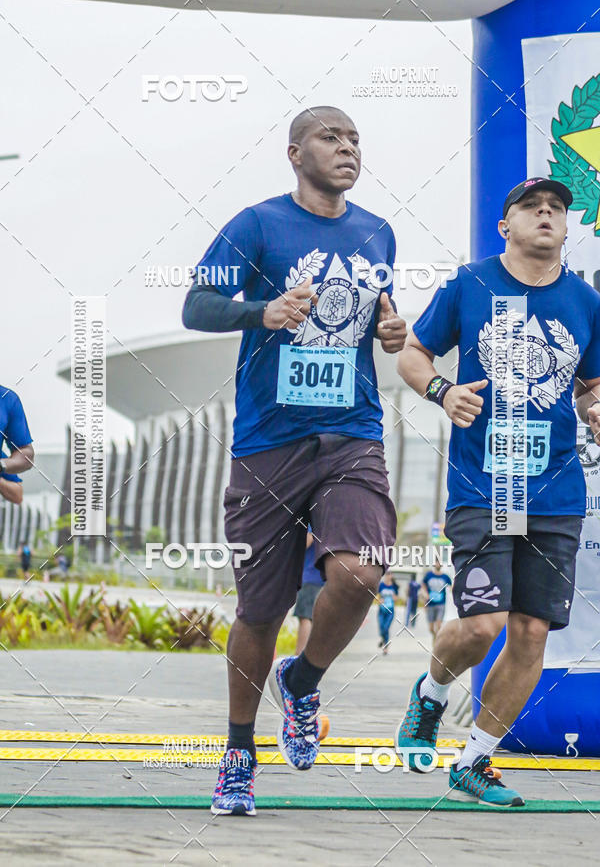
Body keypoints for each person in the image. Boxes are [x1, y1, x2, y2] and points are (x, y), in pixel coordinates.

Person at [183, 105, 407, 816]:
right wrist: (262, 312)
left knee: (362, 570)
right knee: (260, 609)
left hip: (352, 434)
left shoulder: (378, 232)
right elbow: (196, 305)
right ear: (294, 153)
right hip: (269, 444)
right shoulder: (257, 225)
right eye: (330, 138)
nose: (347, 149)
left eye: (355, 140)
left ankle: (302, 682)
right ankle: (239, 755)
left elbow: (376, 315)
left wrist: (391, 329)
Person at [395, 177, 600, 807]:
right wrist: (443, 392)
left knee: (532, 631)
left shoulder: (585, 301)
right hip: (486, 487)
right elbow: (412, 355)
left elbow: (590, 387)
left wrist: (595, 408)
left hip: (556, 492)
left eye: (557, 208)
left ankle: (475, 761)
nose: (547, 213)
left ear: (566, 227)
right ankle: (431, 694)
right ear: (505, 225)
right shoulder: (470, 283)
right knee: (482, 626)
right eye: (532, 206)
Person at [294, 529, 324, 655]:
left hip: (310, 577)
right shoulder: (326, 522)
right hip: (322, 578)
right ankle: (312, 656)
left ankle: (299, 657)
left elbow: (306, 540)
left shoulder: (312, 521)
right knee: (315, 619)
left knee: (305, 617)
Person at [422, 561, 452, 640]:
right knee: (431, 628)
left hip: (441, 603)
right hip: (430, 603)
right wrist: (425, 594)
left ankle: (437, 640)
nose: (438, 564)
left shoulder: (445, 577)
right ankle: (434, 637)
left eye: (439, 563)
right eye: (436, 563)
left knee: (439, 625)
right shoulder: (429, 575)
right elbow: (423, 585)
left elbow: (451, 586)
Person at [377, 571, 399, 654]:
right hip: (381, 610)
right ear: (385, 576)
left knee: (386, 628)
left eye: (390, 575)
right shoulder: (381, 585)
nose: (388, 576)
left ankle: (386, 647)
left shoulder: (394, 586)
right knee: (381, 628)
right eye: (387, 575)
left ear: (391, 576)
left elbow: (396, 598)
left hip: (390, 611)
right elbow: (376, 596)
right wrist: (379, 600)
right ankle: (383, 639)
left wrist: (394, 598)